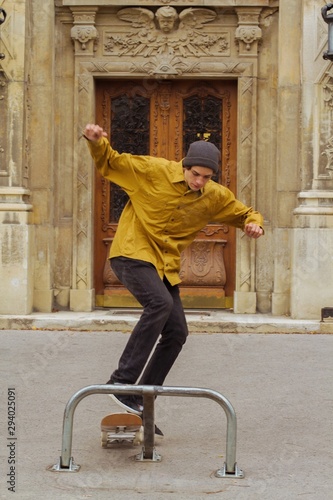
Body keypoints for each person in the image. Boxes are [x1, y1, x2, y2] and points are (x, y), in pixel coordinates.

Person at [84, 123, 264, 430]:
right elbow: (111, 162)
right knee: (159, 303)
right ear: (185, 166)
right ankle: (122, 381)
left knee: (178, 331)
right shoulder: (151, 171)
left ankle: (140, 396)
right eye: (195, 174)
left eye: (206, 177)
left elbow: (245, 212)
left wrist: (254, 224)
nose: (199, 181)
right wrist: (97, 142)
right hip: (132, 252)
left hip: (164, 265)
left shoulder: (214, 196)